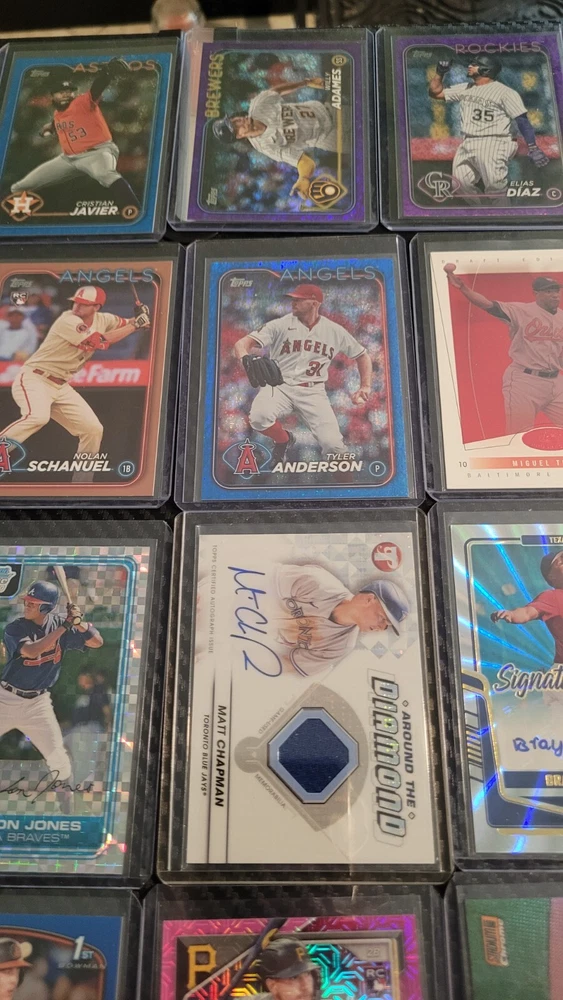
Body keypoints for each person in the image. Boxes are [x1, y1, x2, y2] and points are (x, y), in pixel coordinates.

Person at [0, 285, 149, 482]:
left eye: (84, 304)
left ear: (96, 307)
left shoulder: (104, 319)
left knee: (92, 429)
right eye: (76, 302)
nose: (77, 306)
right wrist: (135, 326)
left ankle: (82, 483)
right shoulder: (68, 320)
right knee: (37, 417)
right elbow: (100, 342)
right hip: (35, 378)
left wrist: (140, 316)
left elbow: (125, 322)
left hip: (60, 385)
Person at [234, 284, 372, 460]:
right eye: (293, 299)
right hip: (279, 386)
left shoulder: (333, 330)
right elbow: (241, 344)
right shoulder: (279, 325)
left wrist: (365, 386)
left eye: (299, 299)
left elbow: (362, 355)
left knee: (334, 446)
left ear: (314, 303)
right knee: (258, 418)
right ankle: (283, 439)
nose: (293, 303)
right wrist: (245, 358)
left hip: (312, 390)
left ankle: (345, 478)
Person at [0, 580, 103, 809]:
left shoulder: (59, 624)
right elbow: (31, 651)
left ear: (46, 607)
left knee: (58, 758)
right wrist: (65, 626)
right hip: (6, 698)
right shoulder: (15, 628)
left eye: (33, 602)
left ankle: (64, 795)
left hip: (38, 703)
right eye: (27, 601)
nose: (27, 604)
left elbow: (97, 642)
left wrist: (79, 623)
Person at [444, 267, 563, 434]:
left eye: (556, 291)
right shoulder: (521, 311)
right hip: (525, 382)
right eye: (549, 291)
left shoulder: (561, 316)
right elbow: (488, 305)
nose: (555, 295)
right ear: (536, 294)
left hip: (556, 381)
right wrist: (464, 288)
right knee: (519, 436)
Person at [9, 62, 140, 212]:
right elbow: (61, 122)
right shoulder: (58, 114)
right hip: (69, 159)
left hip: (97, 153)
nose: (66, 94)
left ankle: (134, 212)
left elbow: (96, 89)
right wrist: (49, 128)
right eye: (61, 92)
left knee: (107, 175)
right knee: (22, 185)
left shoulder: (82, 102)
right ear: (52, 96)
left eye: (69, 91)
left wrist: (107, 74)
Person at [429, 54, 549, 199]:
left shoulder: (505, 93)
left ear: (485, 70)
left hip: (494, 142)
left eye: (474, 64)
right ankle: (485, 211)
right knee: (460, 186)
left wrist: (533, 147)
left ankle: (501, 212)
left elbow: (522, 121)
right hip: (468, 141)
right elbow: (436, 93)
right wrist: (440, 73)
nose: (469, 66)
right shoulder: (466, 87)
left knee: (495, 191)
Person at [212, 77, 342, 201]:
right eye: (236, 126)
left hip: (330, 110)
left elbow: (275, 91)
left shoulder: (258, 105)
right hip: (329, 137)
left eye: (234, 120)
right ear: (239, 136)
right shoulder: (266, 146)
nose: (239, 121)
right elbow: (304, 161)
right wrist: (303, 178)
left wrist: (305, 82)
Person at [273, 563, 409, 675]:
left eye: (387, 626)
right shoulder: (320, 583)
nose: (381, 628)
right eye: (383, 618)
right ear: (368, 599)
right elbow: (265, 580)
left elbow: (286, 666)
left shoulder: (342, 646)